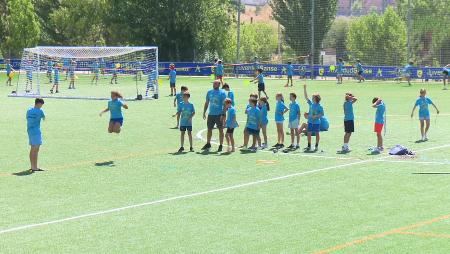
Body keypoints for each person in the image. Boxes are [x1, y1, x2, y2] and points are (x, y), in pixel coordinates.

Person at [202, 80, 227, 152]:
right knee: (209, 129)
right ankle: (208, 143)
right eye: (213, 83)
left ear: (219, 85)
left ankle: (221, 145)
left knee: (221, 130)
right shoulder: (209, 92)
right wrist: (204, 112)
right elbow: (207, 103)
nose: (214, 85)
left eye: (215, 83)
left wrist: (223, 114)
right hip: (211, 114)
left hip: (219, 115)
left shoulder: (222, 93)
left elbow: (225, 105)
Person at [27, 98, 46, 172]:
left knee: (33, 149)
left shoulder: (29, 110)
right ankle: (34, 167)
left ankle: (33, 166)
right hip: (36, 131)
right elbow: (44, 118)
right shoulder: (40, 111)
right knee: (36, 149)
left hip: (30, 131)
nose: (41, 106)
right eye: (41, 105)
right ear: (39, 104)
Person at [303, 84, 324, 152]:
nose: (311, 98)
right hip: (310, 121)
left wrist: (316, 116)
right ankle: (309, 146)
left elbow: (322, 114)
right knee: (309, 133)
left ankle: (316, 146)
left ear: (315, 99)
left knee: (317, 133)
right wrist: (305, 88)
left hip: (316, 122)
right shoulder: (311, 104)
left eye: (313, 97)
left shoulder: (320, 106)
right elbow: (306, 97)